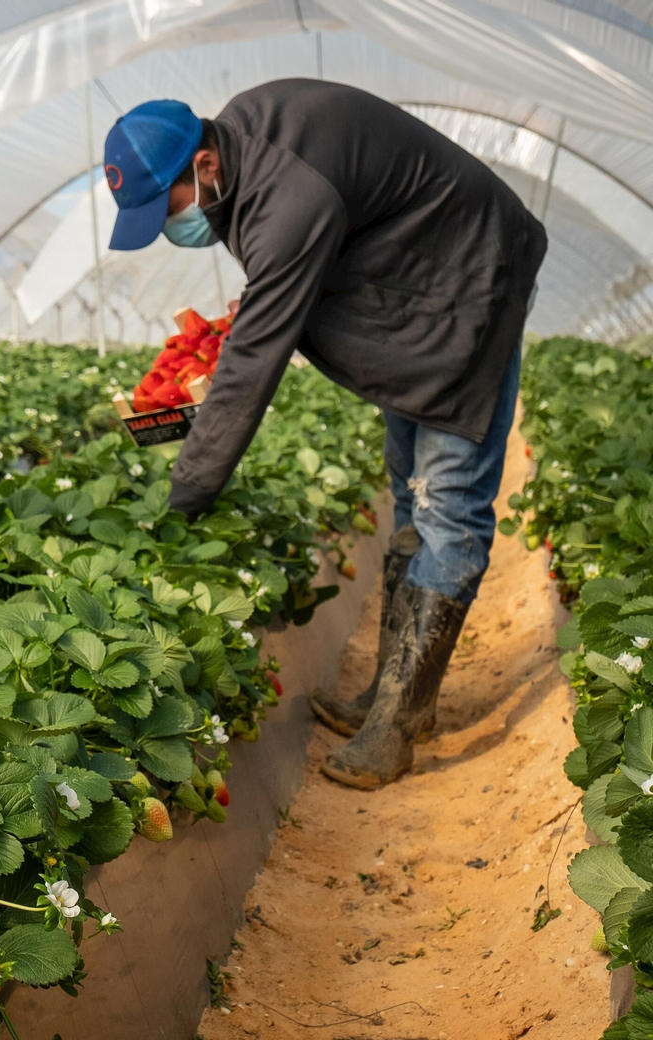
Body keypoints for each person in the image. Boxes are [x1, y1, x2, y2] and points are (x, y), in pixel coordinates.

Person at [102, 80, 546, 789]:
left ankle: (395, 730)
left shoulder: (286, 196)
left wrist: (185, 497)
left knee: (448, 508)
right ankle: (393, 698)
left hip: (467, 287)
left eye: (168, 208)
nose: (168, 226)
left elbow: (252, 369)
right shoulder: (246, 147)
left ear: (204, 167)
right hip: (410, 296)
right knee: (412, 496)